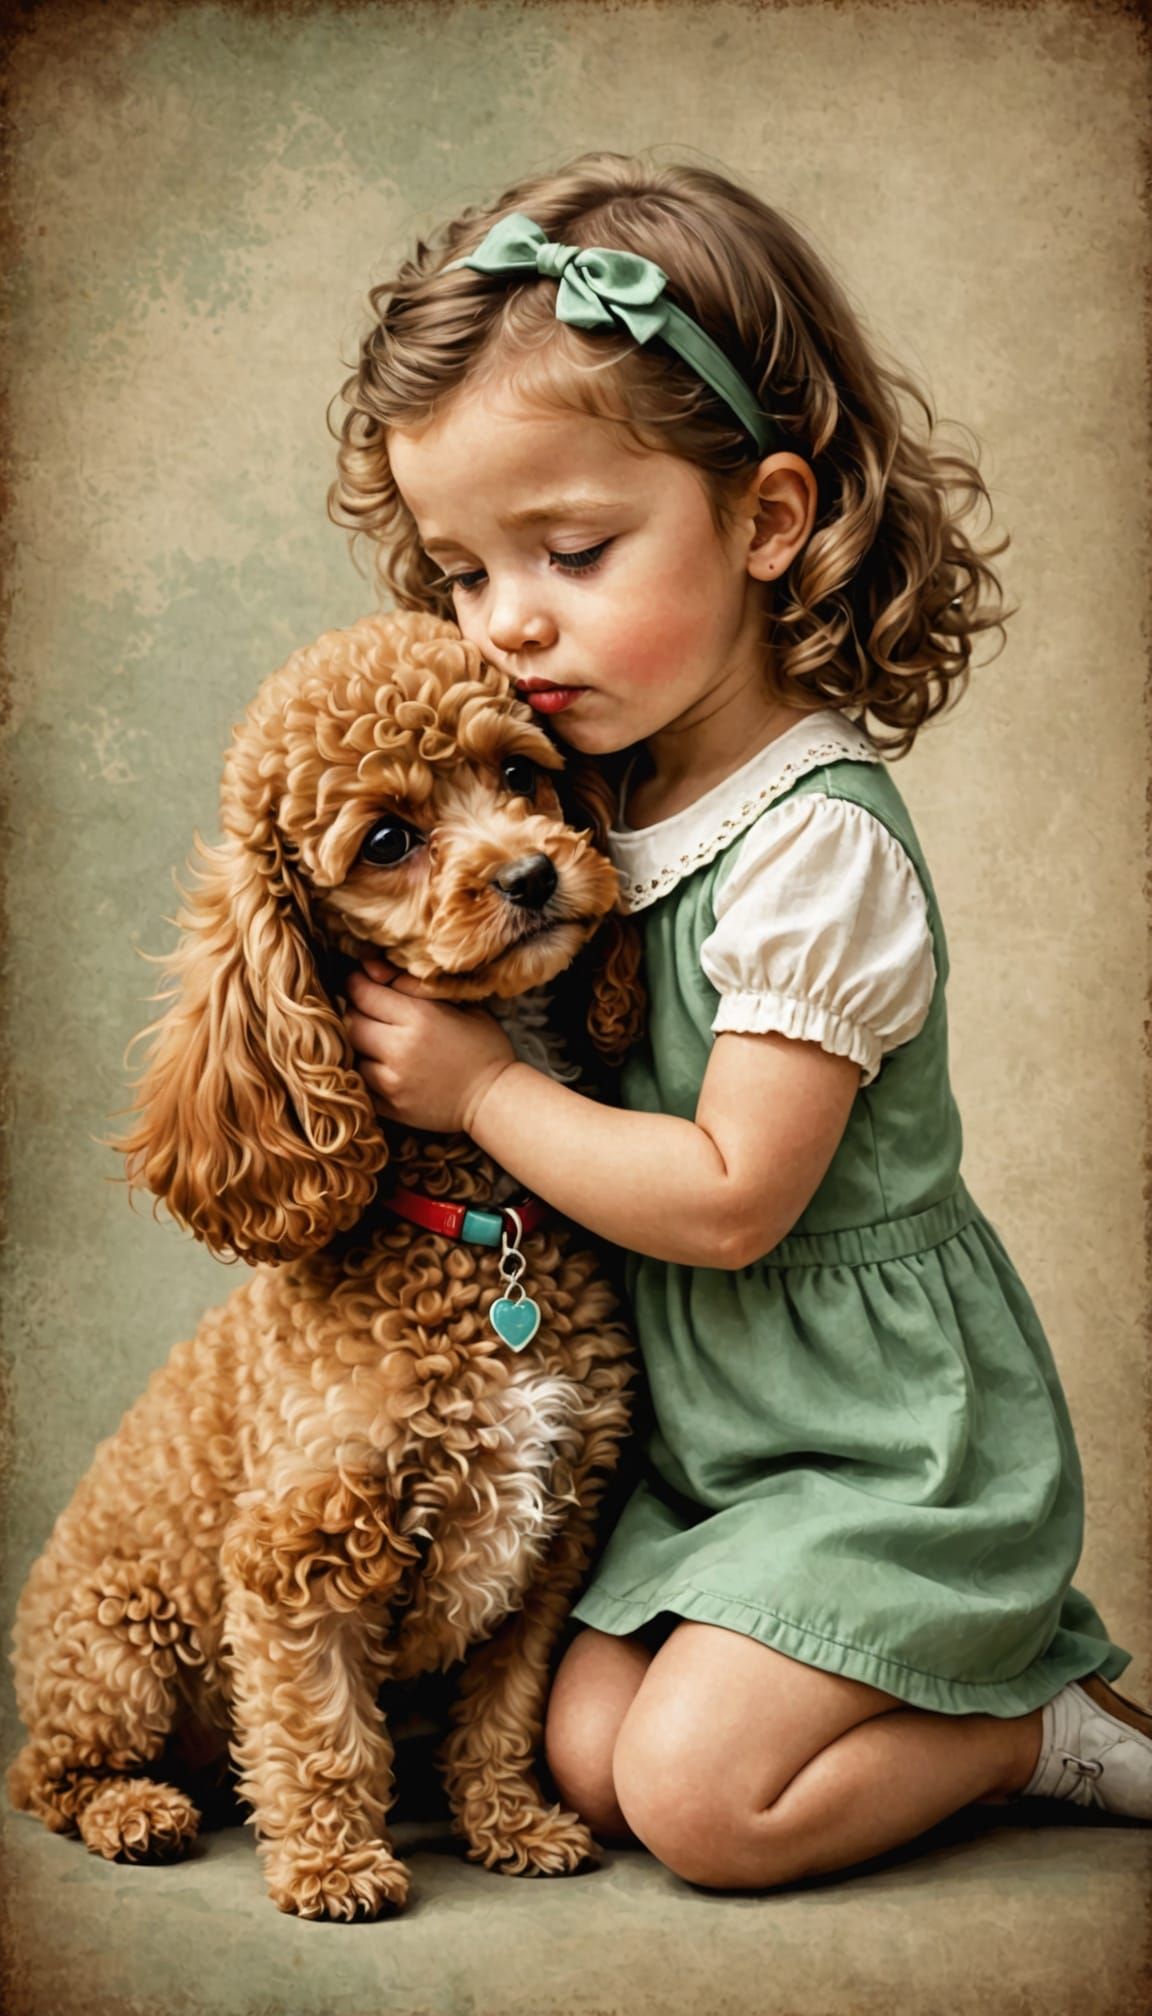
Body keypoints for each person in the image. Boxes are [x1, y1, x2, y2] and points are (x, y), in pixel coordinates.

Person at [328, 152, 1152, 1890]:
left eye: (573, 548)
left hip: (880, 1443)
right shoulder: (579, 804)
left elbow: (727, 1198)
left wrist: (475, 1090)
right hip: (713, 1448)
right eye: (465, 574)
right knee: (586, 1751)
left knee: (703, 1810)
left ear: (768, 522)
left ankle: (1038, 1723)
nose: (512, 623)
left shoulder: (814, 844)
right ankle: (914, 1699)